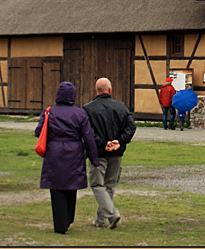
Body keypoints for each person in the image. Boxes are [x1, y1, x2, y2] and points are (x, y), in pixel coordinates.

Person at [34, 81, 99, 234]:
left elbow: (38, 132)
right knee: (71, 187)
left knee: (56, 189)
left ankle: (60, 224)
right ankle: (68, 218)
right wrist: (94, 159)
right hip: (74, 152)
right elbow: (88, 137)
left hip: (54, 152)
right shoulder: (80, 113)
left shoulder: (49, 111)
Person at [83, 77, 137, 230]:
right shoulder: (121, 107)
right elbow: (131, 127)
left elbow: (88, 132)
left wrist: (102, 142)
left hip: (98, 152)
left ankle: (112, 214)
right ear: (110, 90)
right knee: (110, 185)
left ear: (96, 90)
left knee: (97, 184)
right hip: (117, 152)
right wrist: (119, 141)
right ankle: (100, 220)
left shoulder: (88, 109)